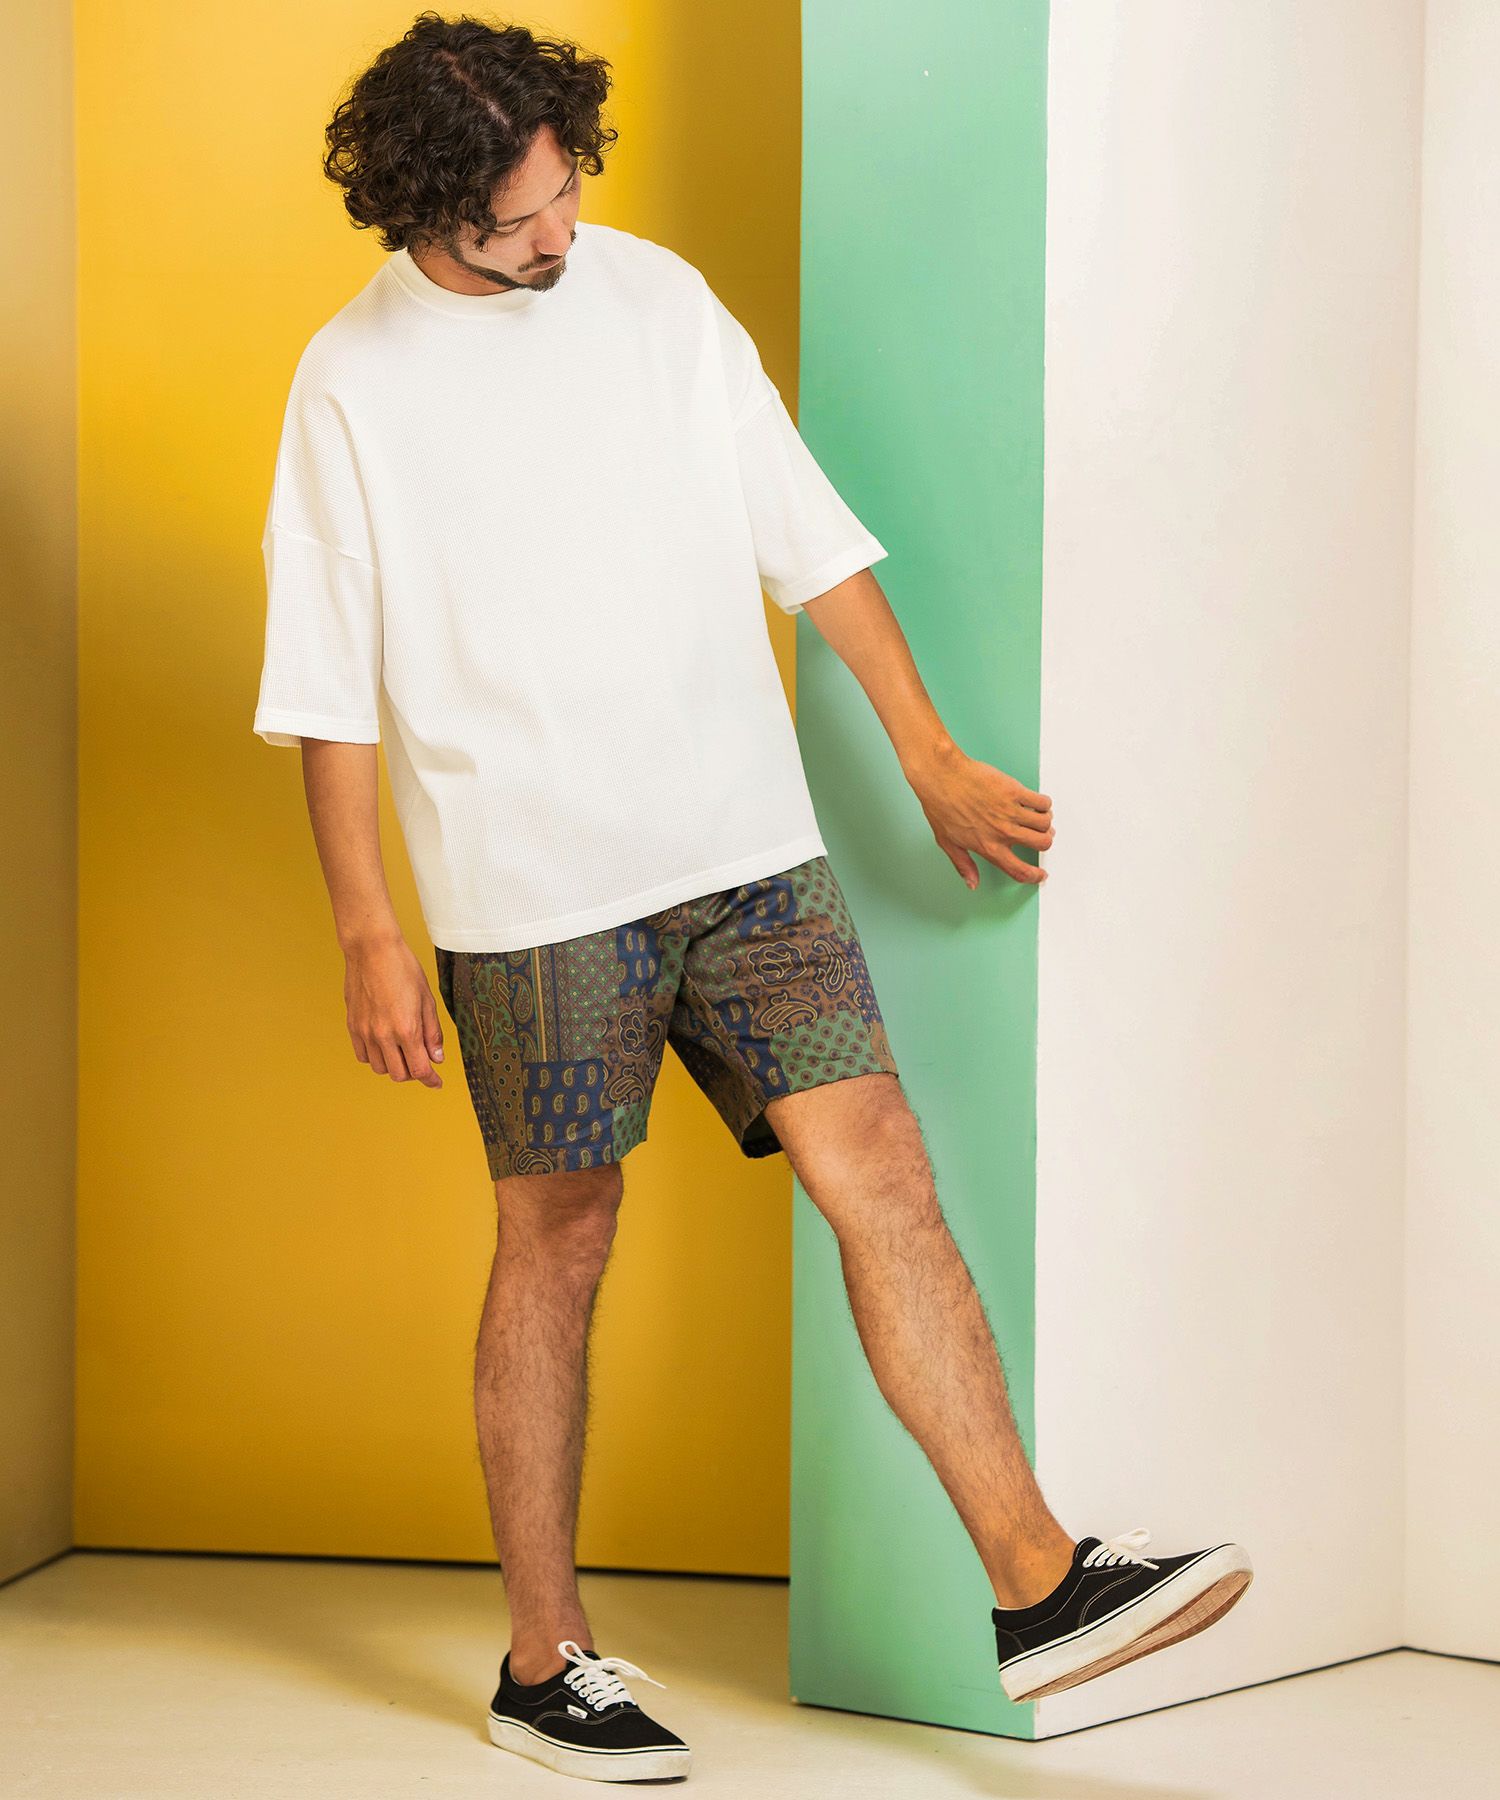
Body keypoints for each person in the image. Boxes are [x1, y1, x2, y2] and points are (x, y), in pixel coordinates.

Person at [253, 13, 1252, 1784]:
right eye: (516, 220)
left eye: (567, 190)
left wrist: (927, 753)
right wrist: (369, 929)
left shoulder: (655, 298)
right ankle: (544, 1665)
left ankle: (1038, 1584)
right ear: (424, 209)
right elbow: (327, 688)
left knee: (884, 1167)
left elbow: (812, 538)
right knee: (560, 1240)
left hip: (746, 850)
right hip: (532, 891)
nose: (559, 235)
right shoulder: (350, 383)